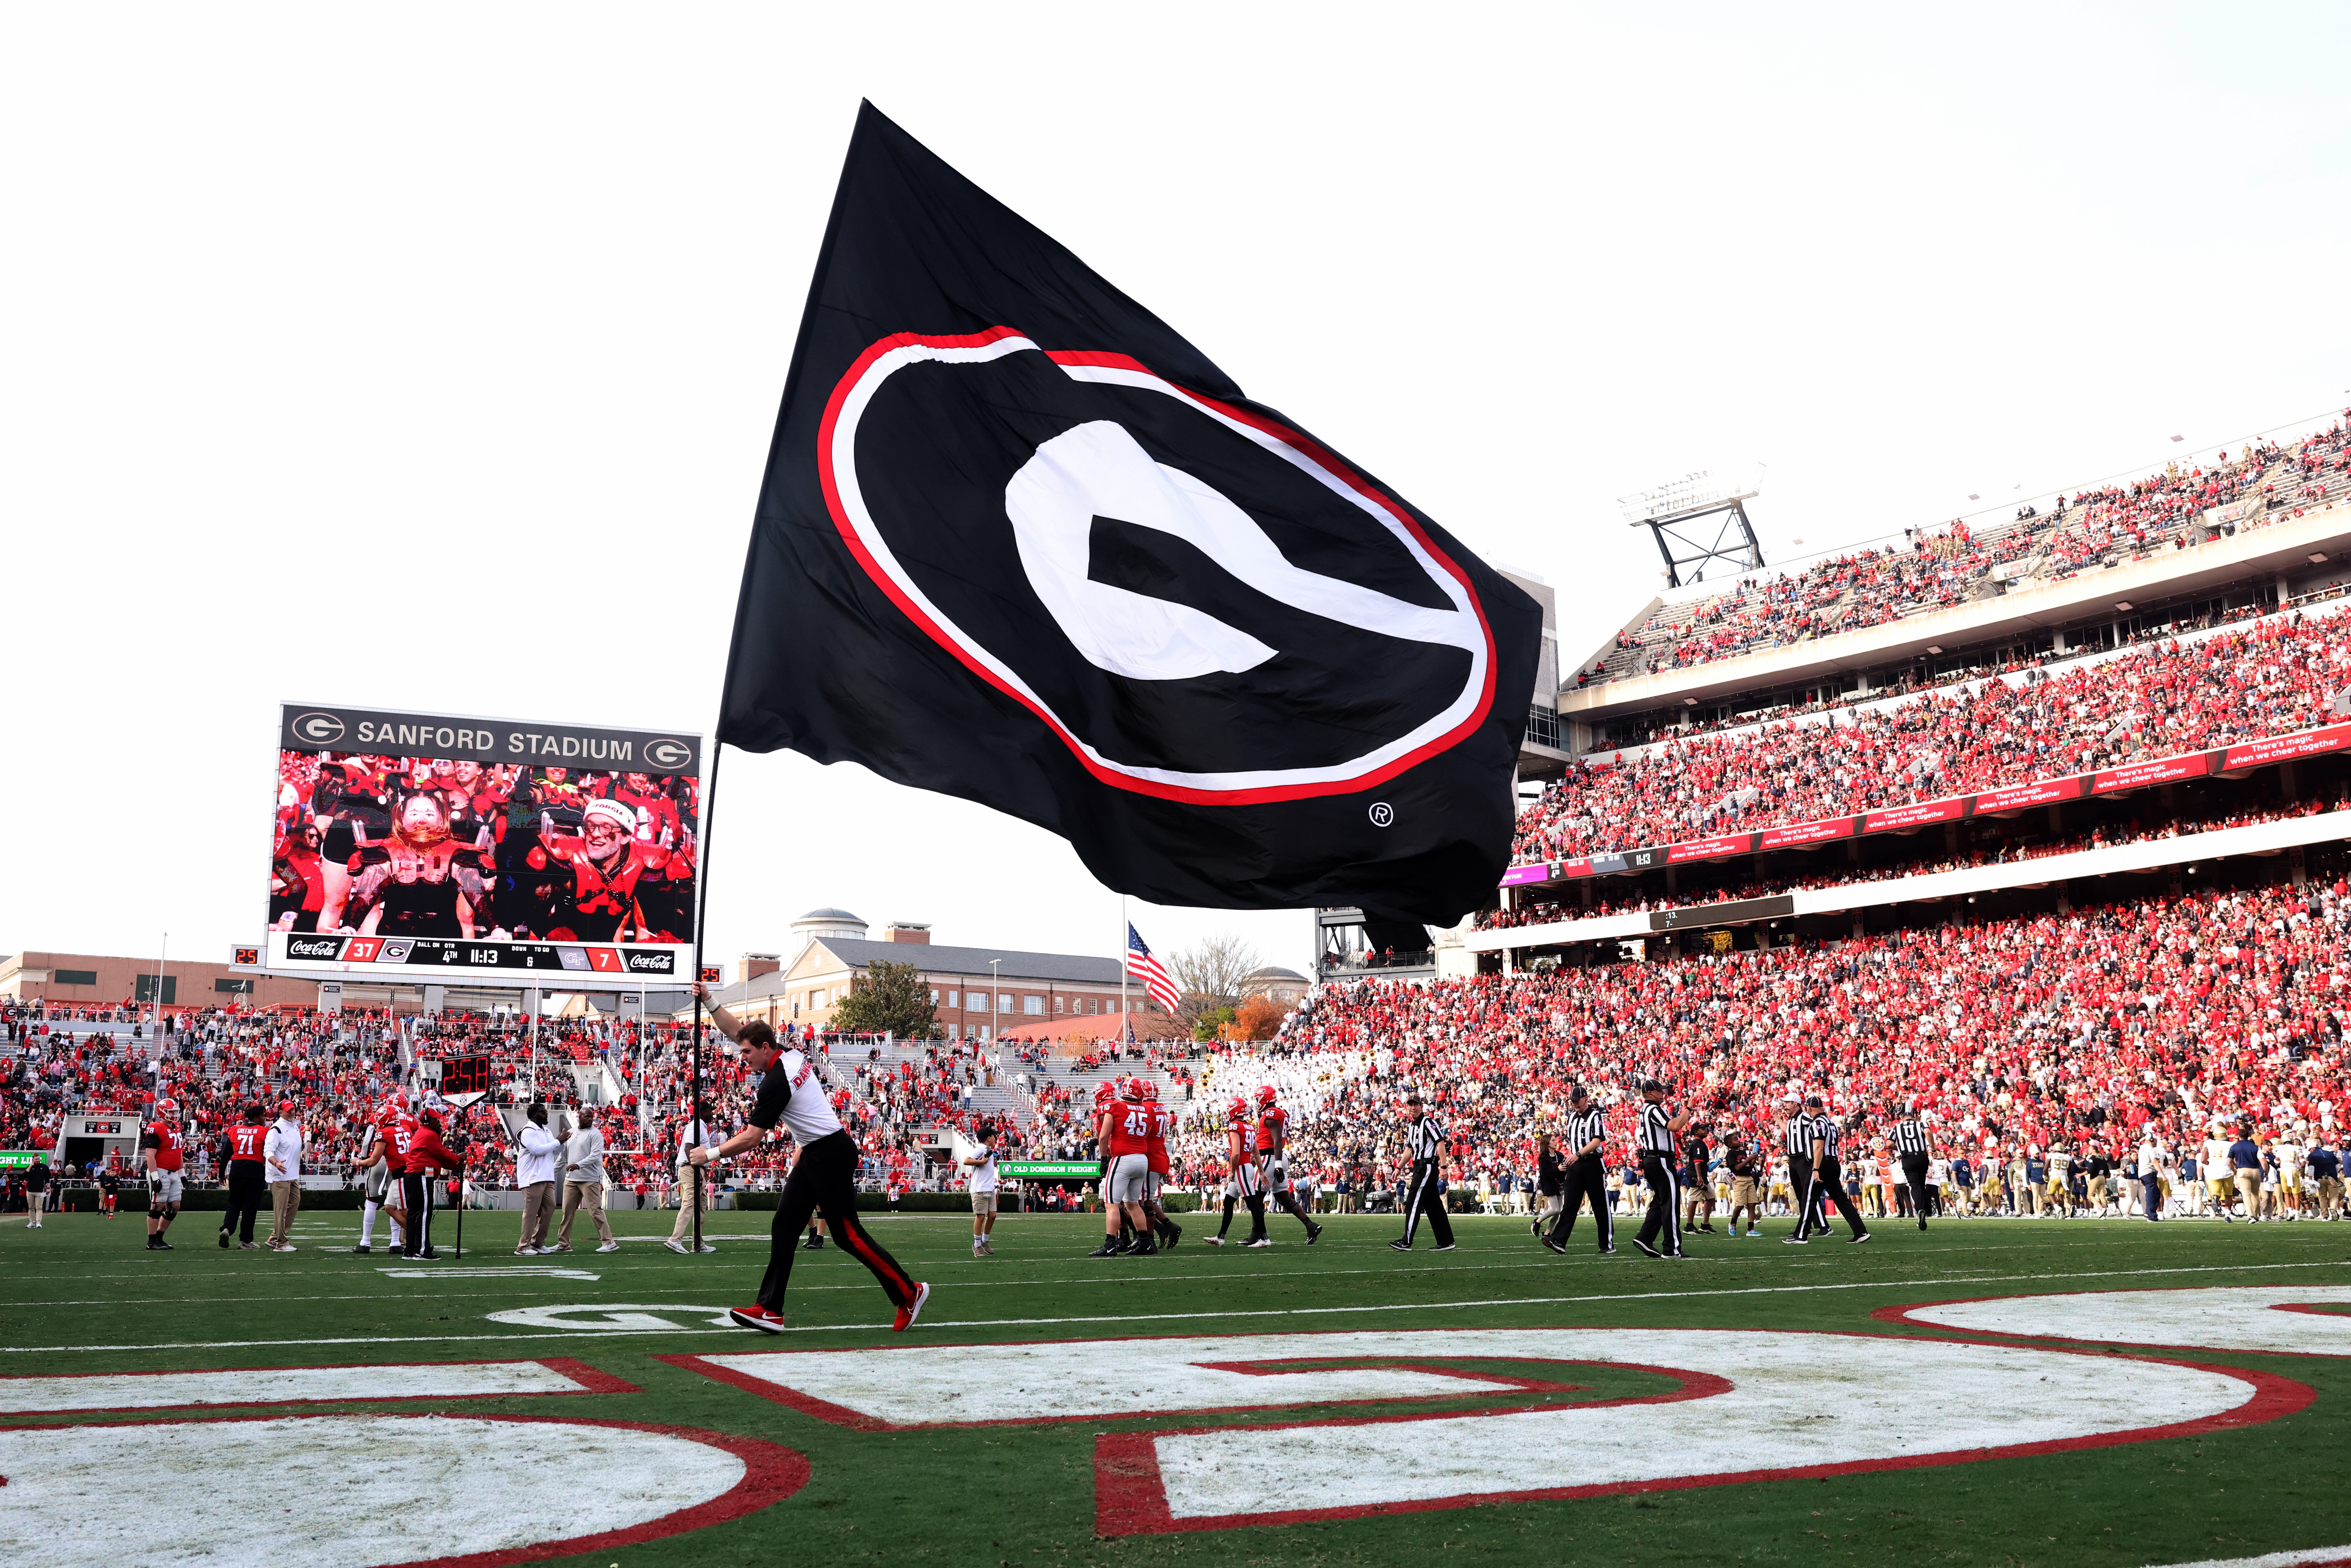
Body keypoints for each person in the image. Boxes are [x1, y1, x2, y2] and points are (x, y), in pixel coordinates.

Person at [687, 987, 927, 1334]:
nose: (743, 1058)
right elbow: (735, 1030)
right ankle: (770, 1309)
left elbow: (753, 1138)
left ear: (765, 1048)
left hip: (829, 1152)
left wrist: (707, 1154)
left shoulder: (775, 1081)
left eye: (747, 1052)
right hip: (817, 1151)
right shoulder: (789, 1054)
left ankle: (910, 1291)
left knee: (848, 1235)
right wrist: (709, 999)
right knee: (785, 1227)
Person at [1543, 1086, 1611, 1254]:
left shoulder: (1596, 1116)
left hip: (1593, 1164)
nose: (1575, 1104)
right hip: (1575, 1165)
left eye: (1577, 1100)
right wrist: (1574, 1156)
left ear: (1586, 1099)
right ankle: (1559, 1240)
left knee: (1600, 1206)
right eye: (1572, 1101)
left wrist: (1578, 1154)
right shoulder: (1572, 1117)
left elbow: (1597, 1142)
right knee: (1570, 1205)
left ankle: (1606, 1244)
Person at [1254, 1085, 1324, 1244]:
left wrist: (1277, 1163)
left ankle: (1259, 1237)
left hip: (1271, 1158)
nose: (1257, 1102)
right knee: (1284, 1198)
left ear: (1265, 1098)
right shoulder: (1281, 1113)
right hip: (1278, 1157)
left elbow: (1277, 1139)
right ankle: (1310, 1225)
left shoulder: (1270, 1113)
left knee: (1256, 1199)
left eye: (1259, 1099)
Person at [1795, 1096, 1869, 1245]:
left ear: (1809, 1108)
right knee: (1842, 1201)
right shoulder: (1829, 1122)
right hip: (1833, 1164)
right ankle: (1861, 1232)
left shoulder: (1818, 1123)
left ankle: (1801, 1236)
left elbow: (1819, 1147)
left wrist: (1816, 1169)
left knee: (1809, 1200)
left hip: (1822, 1164)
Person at [1629, 1078, 1689, 1260]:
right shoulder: (1653, 1109)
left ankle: (1645, 1238)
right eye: (1660, 1091)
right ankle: (1672, 1249)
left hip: (1652, 1161)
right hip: (1660, 1160)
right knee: (1671, 1205)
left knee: (1661, 1202)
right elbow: (1675, 1126)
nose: (1664, 1094)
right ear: (1650, 1094)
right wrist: (1689, 1110)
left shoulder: (1646, 1111)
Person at [1389, 1092, 1455, 1253]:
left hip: (1427, 1167)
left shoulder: (1428, 1122)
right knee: (1433, 1206)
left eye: (1416, 1105)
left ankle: (1407, 1242)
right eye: (1410, 1105)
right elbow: (1409, 1150)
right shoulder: (1411, 1126)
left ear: (1421, 1106)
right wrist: (1398, 1168)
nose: (1413, 1108)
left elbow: (1440, 1143)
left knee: (1412, 1202)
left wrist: (1444, 1167)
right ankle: (1446, 1241)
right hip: (1419, 1167)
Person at [1204, 1095, 1269, 1247]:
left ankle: (1265, 1239)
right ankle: (1220, 1238)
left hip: (1241, 1168)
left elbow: (1236, 1153)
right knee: (1228, 1201)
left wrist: (1232, 1171)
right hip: (1247, 1168)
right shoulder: (1250, 1127)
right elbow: (1257, 1154)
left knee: (1253, 1204)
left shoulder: (1235, 1126)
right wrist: (1261, 1172)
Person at [397, 1109, 461, 1260]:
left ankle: (410, 1251)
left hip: (412, 1175)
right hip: (421, 1175)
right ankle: (423, 1251)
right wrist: (457, 1160)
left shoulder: (421, 1132)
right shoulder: (429, 1135)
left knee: (413, 1214)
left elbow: (439, 1156)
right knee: (424, 1213)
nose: (439, 1122)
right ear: (427, 1120)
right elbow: (443, 1154)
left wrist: (455, 1163)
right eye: (436, 1119)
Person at [555, 1104, 619, 1254]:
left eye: (592, 1117)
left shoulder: (596, 1134)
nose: (591, 1119)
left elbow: (595, 1156)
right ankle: (563, 1244)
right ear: (580, 1117)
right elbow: (563, 1157)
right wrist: (550, 1174)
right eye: (587, 1117)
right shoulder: (571, 1133)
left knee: (595, 1211)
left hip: (590, 1178)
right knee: (567, 1212)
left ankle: (609, 1242)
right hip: (571, 1179)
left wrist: (579, 1165)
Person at [666, 1099, 720, 1255]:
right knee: (690, 1203)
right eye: (710, 1110)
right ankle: (675, 1240)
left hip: (696, 1169)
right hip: (692, 1169)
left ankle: (699, 1243)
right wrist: (697, 1170)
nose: (712, 1113)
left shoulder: (700, 1127)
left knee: (701, 1206)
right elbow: (689, 1148)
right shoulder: (697, 1127)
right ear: (704, 1112)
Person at [219, 1104, 270, 1249]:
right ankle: (246, 1241)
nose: (264, 1119)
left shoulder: (235, 1130)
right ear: (256, 1117)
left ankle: (227, 1229)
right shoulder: (264, 1132)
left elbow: (226, 1155)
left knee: (234, 1202)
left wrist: (221, 1174)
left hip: (237, 1169)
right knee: (250, 1206)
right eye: (262, 1116)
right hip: (255, 1170)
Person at [514, 1103, 562, 1256]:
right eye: (543, 1112)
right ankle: (523, 1246)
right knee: (531, 1212)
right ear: (535, 1115)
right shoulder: (528, 1131)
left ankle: (537, 1242)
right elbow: (536, 1150)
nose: (546, 1114)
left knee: (550, 1207)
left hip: (547, 1176)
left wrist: (563, 1141)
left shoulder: (546, 1130)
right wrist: (557, 1141)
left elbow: (554, 1150)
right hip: (532, 1177)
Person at [354, 1103, 402, 1254]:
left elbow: (368, 1142)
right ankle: (395, 1242)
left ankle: (365, 1241)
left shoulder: (379, 1119)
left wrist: (362, 1162)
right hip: (396, 1164)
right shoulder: (406, 1122)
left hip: (378, 1160)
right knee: (395, 1205)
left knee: (371, 1202)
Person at [140, 1097, 185, 1250]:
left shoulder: (177, 1127)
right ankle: (152, 1241)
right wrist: (155, 1178)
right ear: (162, 1112)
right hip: (160, 1171)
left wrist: (183, 1173)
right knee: (158, 1206)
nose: (174, 1115)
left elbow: (178, 1151)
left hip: (174, 1173)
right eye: (171, 1112)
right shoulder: (155, 1128)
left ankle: (160, 1238)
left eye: (176, 1112)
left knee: (175, 1206)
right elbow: (150, 1156)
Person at [263, 1099, 304, 1252]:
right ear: (280, 1112)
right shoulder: (276, 1129)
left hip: (292, 1174)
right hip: (280, 1175)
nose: (292, 1112)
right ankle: (281, 1244)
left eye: (293, 1109)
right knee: (280, 1210)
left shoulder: (295, 1126)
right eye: (288, 1110)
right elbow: (268, 1151)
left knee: (295, 1202)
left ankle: (275, 1237)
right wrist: (276, 1163)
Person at [1891, 1103, 1933, 1231]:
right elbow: (1928, 1133)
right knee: (1922, 1185)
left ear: (1902, 1119)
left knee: (1914, 1186)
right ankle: (1927, 1211)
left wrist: (1900, 1148)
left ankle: (1920, 1210)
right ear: (1913, 1118)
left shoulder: (1897, 1128)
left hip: (1907, 1158)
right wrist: (1933, 1148)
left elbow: (1888, 1143)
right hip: (1921, 1156)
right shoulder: (1920, 1124)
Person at [963, 1122, 1000, 1257]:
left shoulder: (987, 1150)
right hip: (980, 1189)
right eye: (994, 1136)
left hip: (989, 1188)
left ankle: (984, 1241)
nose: (995, 1138)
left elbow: (988, 1165)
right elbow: (966, 1161)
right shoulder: (980, 1149)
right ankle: (977, 1245)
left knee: (993, 1215)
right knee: (981, 1216)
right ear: (989, 1138)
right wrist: (982, 1162)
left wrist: (994, 1162)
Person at [1531, 1134, 1565, 1237]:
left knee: (1558, 1212)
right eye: (1553, 1141)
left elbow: (1564, 1171)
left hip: (1560, 1186)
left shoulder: (1560, 1156)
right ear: (1547, 1143)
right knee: (1555, 1210)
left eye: (1556, 1140)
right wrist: (1557, 1170)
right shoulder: (1544, 1157)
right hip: (1550, 1186)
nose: (1556, 1142)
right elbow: (1545, 1173)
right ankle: (1537, 1222)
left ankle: (1548, 1232)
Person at [2230, 1126, 2263, 1222]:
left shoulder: (2235, 1147)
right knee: (2255, 1194)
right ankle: (2256, 1215)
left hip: (2242, 1170)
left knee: (2246, 1195)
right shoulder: (2256, 1147)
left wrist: (2234, 1171)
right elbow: (2263, 1162)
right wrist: (2266, 1172)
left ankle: (2251, 1216)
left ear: (2239, 1137)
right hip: (2256, 1171)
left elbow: (2229, 1162)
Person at [23, 1155, 50, 1230]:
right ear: (33, 1160)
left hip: (40, 1191)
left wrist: (48, 1188)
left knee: (39, 1207)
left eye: (39, 1159)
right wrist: (30, 1167)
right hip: (30, 1191)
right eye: (36, 1159)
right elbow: (24, 1176)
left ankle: (38, 1222)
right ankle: (32, 1222)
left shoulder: (44, 1167)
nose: (38, 1160)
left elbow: (48, 1178)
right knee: (31, 1207)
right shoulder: (30, 1167)